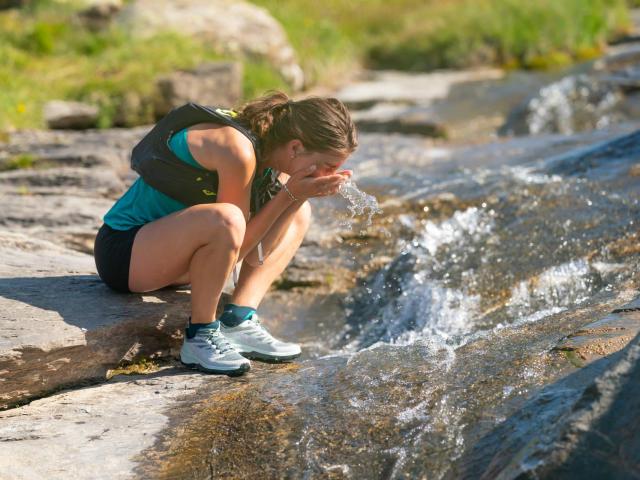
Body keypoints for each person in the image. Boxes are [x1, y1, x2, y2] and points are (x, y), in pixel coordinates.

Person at [93, 90, 358, 375]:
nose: (328, 175)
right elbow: (235, 246)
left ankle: (239, 319)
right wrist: (289, 195)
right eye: (329, 166)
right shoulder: (237, 149)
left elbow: (258, 255)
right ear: (295, 148)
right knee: (228, 219)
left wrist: (296, 199)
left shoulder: (277, 155)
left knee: (298, 214)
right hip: (126, 254)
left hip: (181, 258)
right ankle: (200, 335)